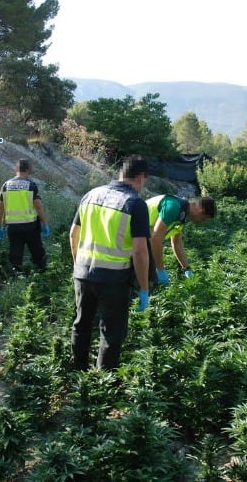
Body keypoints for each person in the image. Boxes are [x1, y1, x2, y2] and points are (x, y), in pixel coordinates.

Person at [69, 156, 151, 370]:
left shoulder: (90, 195)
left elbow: (73, 235)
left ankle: (78, 373)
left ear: (121, 173)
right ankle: (101, 385)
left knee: (81, 325)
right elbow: (140, 251)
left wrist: (79, 265)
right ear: (141, 177)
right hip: (114, 279)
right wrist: (144, 287)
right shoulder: (134, 203)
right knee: (111, 333)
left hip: (83, 273)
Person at [147, 194, 216, 285]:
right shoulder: (173, 207)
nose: (201, 222)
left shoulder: (182, 214)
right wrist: (160, 269)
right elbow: (155, 239)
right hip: (128, 233)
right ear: (201, 210)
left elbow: (177, 244)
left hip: (139, 238)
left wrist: (186, 269)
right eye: (203, 219)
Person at [0, 159, 50, 272]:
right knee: (38, 253)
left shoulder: (6, 186)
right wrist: (45, 223)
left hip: (13, 227)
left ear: (16, 169)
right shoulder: (31, 185)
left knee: (15, 255)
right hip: (30, 226)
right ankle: (42, 275)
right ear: (29, 170)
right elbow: (38, 205)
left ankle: (15, 277)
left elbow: (1, 207)